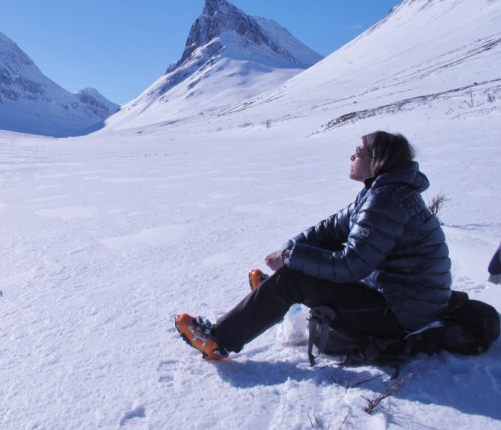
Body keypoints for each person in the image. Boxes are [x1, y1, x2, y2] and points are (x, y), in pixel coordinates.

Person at [175, 131, 452, 360]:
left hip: (402, 314)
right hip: (399, 297)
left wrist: (290, 259)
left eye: (360, 150)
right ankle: (273, 295)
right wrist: (289, 249)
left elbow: (350, 265)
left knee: (295, 277)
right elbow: (331, 229)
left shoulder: (387, 200)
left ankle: (219, 339)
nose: (352, 155)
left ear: (378, 161)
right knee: (305, 260)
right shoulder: (378, 192)